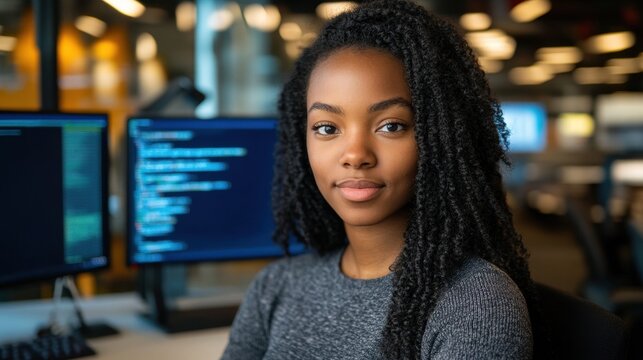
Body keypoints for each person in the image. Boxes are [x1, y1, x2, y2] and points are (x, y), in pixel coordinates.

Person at [222, 0, 545, 359]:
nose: (355, 154)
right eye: (327, 128)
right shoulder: (276, 286)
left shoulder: (475, 303)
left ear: (441, 139)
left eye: (391, 126)